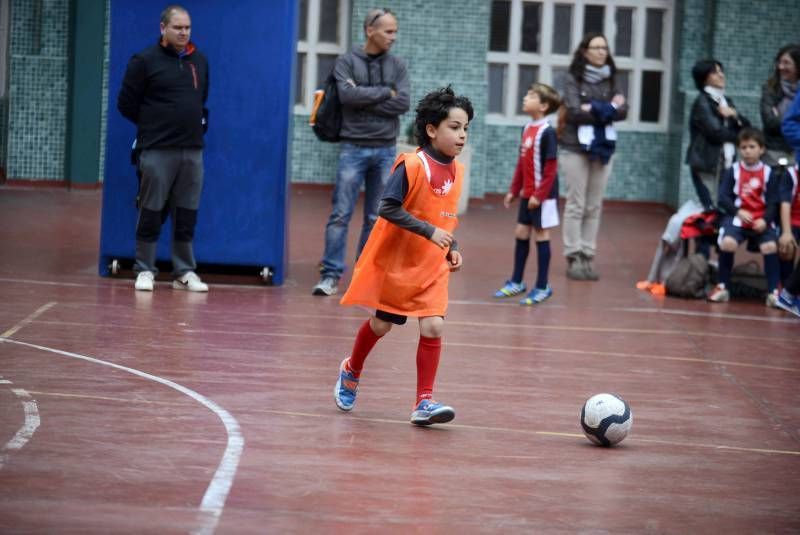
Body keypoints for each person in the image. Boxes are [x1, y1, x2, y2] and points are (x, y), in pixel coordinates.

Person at [333, 87, 473, 426]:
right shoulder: (413, 165)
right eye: (454, 127)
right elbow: (387, 207)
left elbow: (444, 218)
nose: (462, 135)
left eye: (466, 128)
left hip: (431, 265)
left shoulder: (457, 171)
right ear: (431, 129)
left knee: (434, 326)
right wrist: (429, 232)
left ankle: (424, 401)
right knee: (381, 324)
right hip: (400, 265)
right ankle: (351, 369)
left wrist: (451, 248)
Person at [312, 8, 411, 296]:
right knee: (340, 214)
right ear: (370, 30)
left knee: (375, 217)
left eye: (395, 31)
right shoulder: (346, 61)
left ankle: (363, 275)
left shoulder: (399, 65)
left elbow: (403, 103)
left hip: (385, 149)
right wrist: (385, 92)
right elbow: (346, 96)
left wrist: (364, 97)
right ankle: (330, 275)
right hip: (352, 148)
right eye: (388, 31)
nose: (394, 37)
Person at [117, 5, 209, 293]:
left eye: (187, 28)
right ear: (163, 28)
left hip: (192, 150)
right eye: (177, 27)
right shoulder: (144, 61)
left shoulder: (200, 61)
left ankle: (184, 271)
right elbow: (126, 103)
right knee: (151, 209)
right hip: (156, 149)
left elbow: (201, 98)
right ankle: (145, 269)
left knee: (187, 211)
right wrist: (155, 126)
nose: (183, 33)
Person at [559, 33, 628, 281]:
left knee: (594, 205)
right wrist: (608, 108)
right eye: (596, 47)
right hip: (574, 147)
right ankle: (573, 255)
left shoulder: (612, 79)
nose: (601, 51)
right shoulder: (572, 78)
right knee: (576, 204)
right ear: (584, 51)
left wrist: (596, 108)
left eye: (604, 48)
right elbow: (574, 112)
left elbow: (624, 110)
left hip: (603, 147)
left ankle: (588, 255)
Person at [493, 83, 561, 305]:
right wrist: (514, 190)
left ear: (543, 105)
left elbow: (551, 170)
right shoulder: (526, 128)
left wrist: (539, 196)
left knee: (541, 234)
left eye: (530, 96)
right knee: (521, 232)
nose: (525, 98)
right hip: (527, 194)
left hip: (543, 196)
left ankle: (542, 286)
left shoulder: (547, 132)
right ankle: (517, 282)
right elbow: (521, 164)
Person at [707, 128, 781, 307]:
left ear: (761, 149)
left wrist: (765, 219)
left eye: (752, 147)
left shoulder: (769, 172)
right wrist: (738, 211)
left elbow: (773, 202)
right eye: (743, 147)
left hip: (761, 221)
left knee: (770, 246)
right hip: (738, 219)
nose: (747, 151)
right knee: (728, 243)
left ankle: (773, 292)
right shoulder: (733, 170)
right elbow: (723, 198)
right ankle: (723, 286)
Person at [686, 60, 750, 213]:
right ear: (704, 77)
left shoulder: (726, 101)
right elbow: (716, 133)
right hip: (707, 164)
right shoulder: (702, 102)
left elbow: (748, 129)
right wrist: (739, 136)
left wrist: (734, 114)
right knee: (711, 209)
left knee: (724, 207)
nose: (721, 75)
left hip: (726, 162)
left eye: (721, 71)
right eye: (715, 72)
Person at [760, 44, 800, 166]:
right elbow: (770, 121)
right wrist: (792, 120)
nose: (781, 67)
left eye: (787, 63)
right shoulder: (770, 89)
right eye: (779, 62)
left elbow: (777, 120)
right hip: (774, 151)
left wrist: (780, 115)